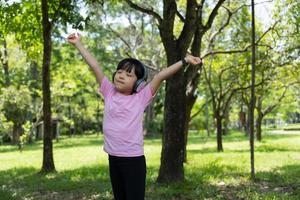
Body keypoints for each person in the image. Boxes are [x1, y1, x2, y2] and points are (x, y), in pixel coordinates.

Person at [67, 33, 202, 200]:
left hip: (133, 162)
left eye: (128, 74)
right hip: (113, 158)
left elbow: (160, 76)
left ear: (138, 84)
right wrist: (78, 44)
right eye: (119, 71)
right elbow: (95, 66)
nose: (121, 75)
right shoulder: (109, 92)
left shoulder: (140, 98)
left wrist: (185, 61)